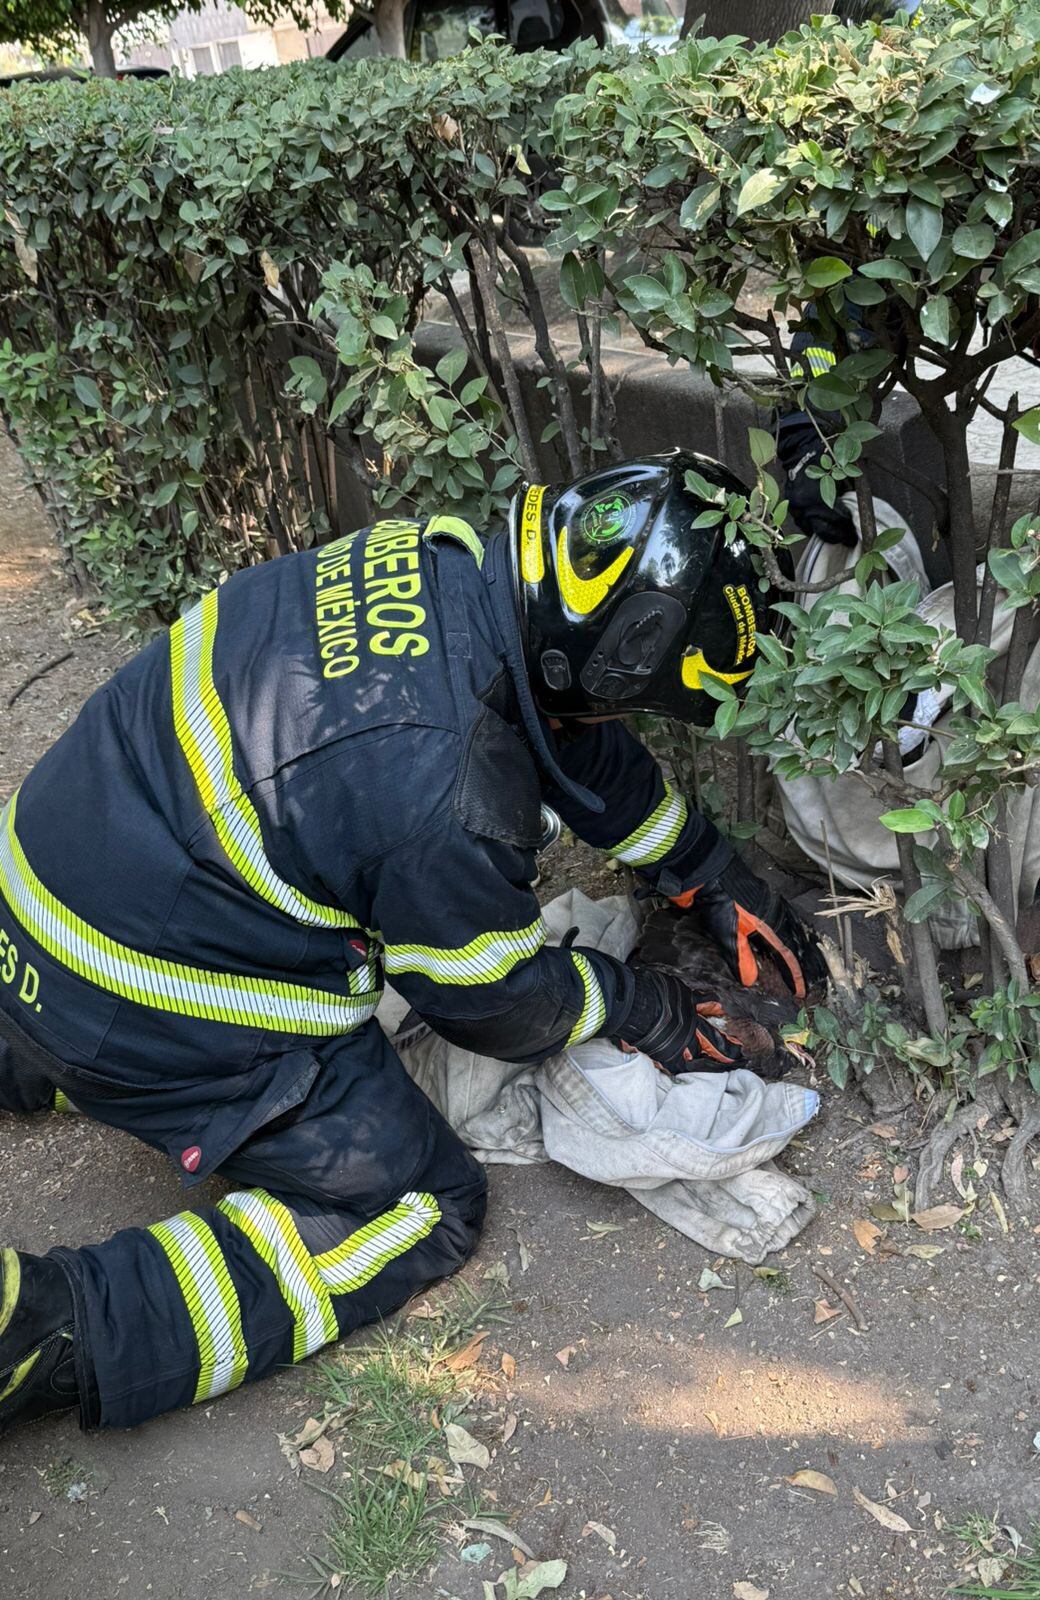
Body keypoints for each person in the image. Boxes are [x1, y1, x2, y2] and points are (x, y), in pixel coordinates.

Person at [0, 449, 824, 1438]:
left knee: (51, 1014)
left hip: (39, 890)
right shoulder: (447, 791)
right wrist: (645, 1008)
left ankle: (33, 1044)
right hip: (138, 991)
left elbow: (569, 733)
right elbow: (493, 1002)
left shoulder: (443, 567)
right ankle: (39, 1331)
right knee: (421, 1203)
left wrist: (706, 870)